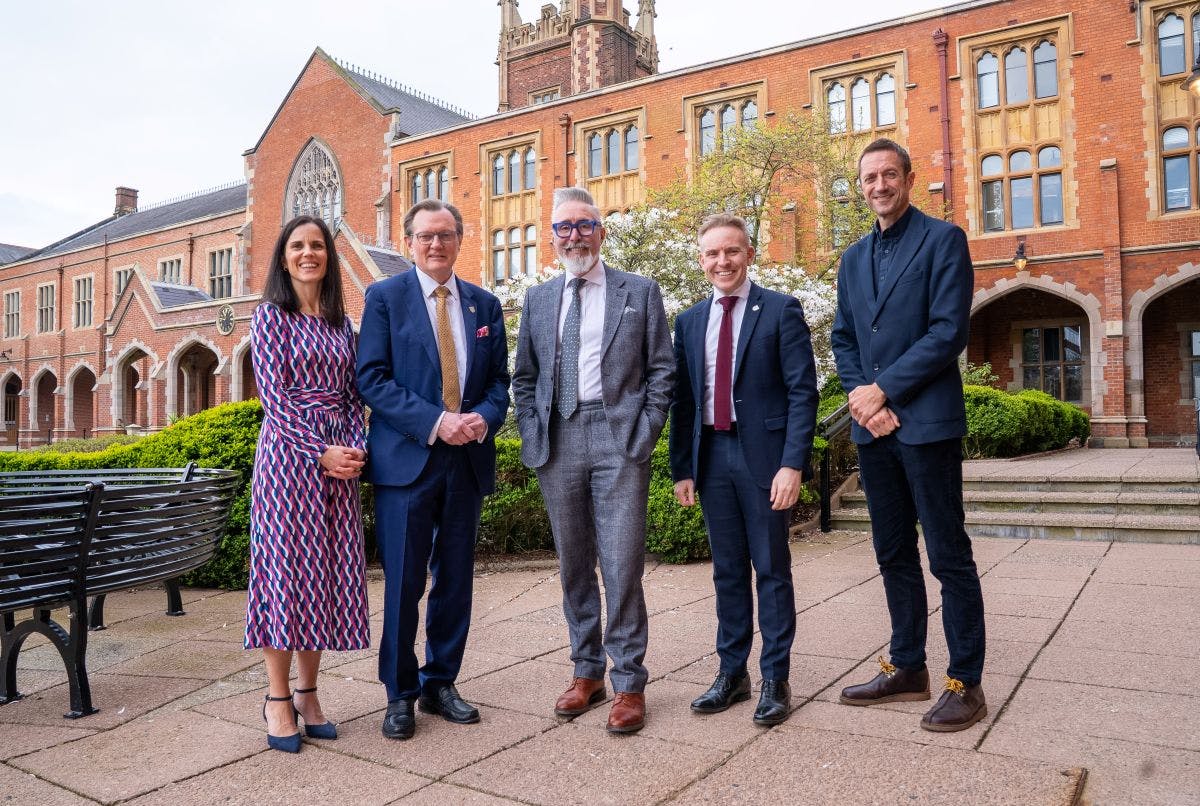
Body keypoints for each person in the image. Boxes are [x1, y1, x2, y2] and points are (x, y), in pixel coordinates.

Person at [830, 137, 987, 732]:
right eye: (869, 178)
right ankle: (907, 666)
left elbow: (948, 332)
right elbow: (845, 338)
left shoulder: (943, 240)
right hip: (874, 430)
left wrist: (884, 391)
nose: (879, 186)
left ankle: (965, 681)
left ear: (908, 178)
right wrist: (864, 400)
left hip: (927, 425)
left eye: (888, 175)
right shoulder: (852, 259)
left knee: (948, 554)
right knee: (892, 551)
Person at [512, 187, 674, 734]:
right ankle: (587, 672)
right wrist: (532, 431)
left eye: (585, 225)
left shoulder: (639, 291)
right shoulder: (538, 299)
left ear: (601, 232)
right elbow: (525, 377)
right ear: (552, 237)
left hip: (618, 437)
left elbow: (662, 370)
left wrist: (645, 431)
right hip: (557, 440)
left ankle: (629, 682)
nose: (575, 236)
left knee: (623, 564)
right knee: (574, 564)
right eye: (564, 227)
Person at [356, 199, 510, 741]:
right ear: (409, 243)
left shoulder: (484, 305)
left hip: (466, 459)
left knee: (455, 581)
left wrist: (483, 418)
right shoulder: (384, 298)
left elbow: (499, 383)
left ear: (460, 239)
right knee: (403, 583)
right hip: (407, 461)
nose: (436, 244)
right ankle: (399, 693)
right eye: (426, 236)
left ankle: (440, 682)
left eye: (445, 235)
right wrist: (435, 421)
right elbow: (371, 378)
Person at [668, 213, 818, 726]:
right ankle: (732, 674)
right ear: (701, 260)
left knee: (771, 569)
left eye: (731, 251)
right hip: (711, 459)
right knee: (727, 571)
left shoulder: (779, 309)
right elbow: (684, 400)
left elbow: (802, 393)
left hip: (764, 460)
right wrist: (682, 467)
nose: (722, 261)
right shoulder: (689, 321)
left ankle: (775, 678)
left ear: (749, 254)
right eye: (712, 253)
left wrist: (792, 463)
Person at [245, 214, 370, 753]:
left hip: (337, 462)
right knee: (285, 576)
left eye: (317, 245)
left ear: (328, 256)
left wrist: (353, 448)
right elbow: (274, 399)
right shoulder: (270, 316)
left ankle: (308, 693)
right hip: (288, 461)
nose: (308, 253)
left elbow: (352, 396)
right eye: (297, 245)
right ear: (284, 256)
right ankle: (277, 699)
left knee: (322, 575)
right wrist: (319, 451)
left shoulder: (343, 324)